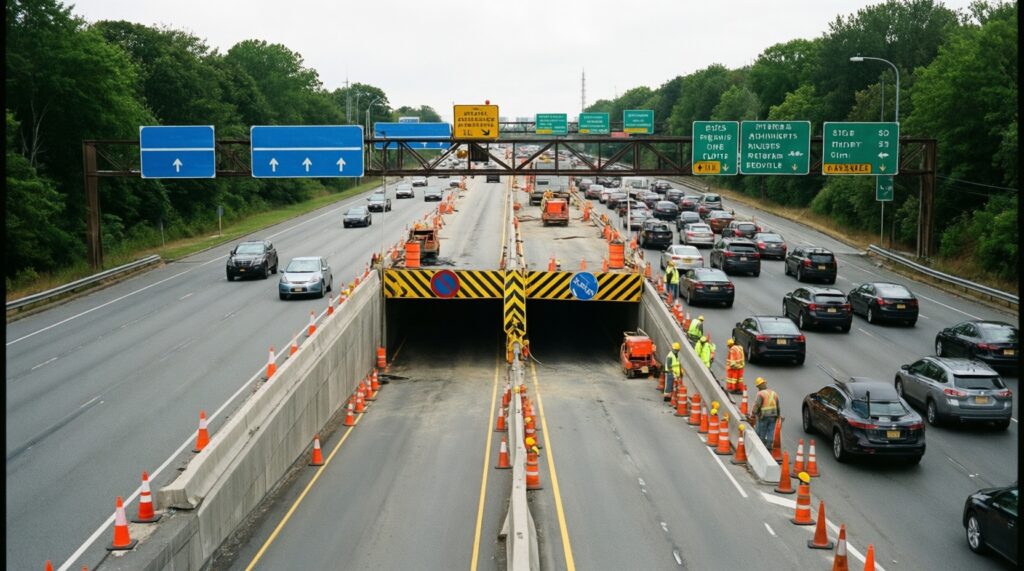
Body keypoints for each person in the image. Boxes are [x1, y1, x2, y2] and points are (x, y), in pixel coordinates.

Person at [750, 377, 780, 446]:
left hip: (764, 416)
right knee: (771, 431)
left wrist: (753, 414)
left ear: (758, 387)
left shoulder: (760, 394)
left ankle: (762, 446)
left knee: (762, 431)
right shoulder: (774, 393)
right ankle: (769, 445)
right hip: (774, 415)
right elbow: (778, 405)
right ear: (765, 384)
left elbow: (757, 405)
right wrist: (778, 415)